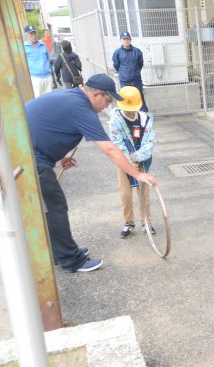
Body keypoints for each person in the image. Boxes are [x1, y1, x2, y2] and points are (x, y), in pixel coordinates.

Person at [25, 74, 157, 273]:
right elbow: (110, 149)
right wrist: (137, 175)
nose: (108, 106)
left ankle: (59, 253)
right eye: (108, 100)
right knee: (55, 206)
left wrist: (60, 156)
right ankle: (71, 260)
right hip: (27, 157)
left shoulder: (72, 97)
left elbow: (50, 126)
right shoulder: (81, 108)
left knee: (49, 208)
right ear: (97, 94)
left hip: (27, 152)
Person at [108, 86, 155, 238]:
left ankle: (146, 222)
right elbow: (117, 145)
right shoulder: (115, 121)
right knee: (125, 193)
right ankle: (128, 222)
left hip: (142, 161)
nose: (129, 111)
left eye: (132, 108)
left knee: (144, 193)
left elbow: (149, 143)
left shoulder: (146, 119)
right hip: (122, 162)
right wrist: (128, 162)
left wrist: (137, 158)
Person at [112, 31, 148, 112]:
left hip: (136, 80)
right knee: (125, 99)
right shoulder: (117, 52)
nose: (126, 41)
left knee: (139, 97)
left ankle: (144, 114)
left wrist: (135, 72)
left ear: (130, 40)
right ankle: (127, 116)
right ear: (121, 40)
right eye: (124, 39)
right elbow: (116, 65)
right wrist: (124, 73)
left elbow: (140, 64)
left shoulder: (137, 51)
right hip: (125, 81)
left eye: (128, 39)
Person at [24, 25, 52, 97]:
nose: (34, 36)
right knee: (38, 99)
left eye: (34, 33)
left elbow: (48, 58)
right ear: (26, 35)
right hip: (35, 78)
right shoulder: (24, 47)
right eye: (31, 34)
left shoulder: (43, 44)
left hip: (48, 76)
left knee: (50, 99)